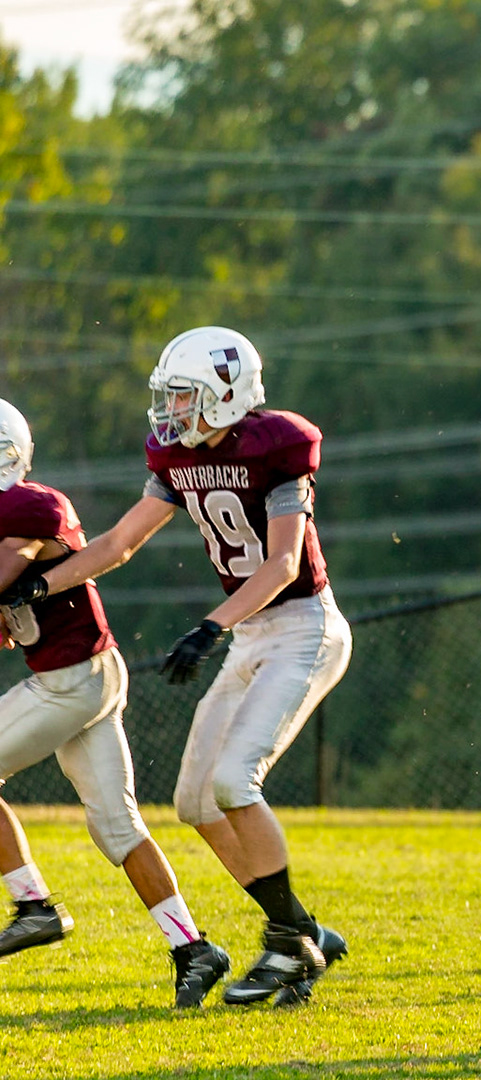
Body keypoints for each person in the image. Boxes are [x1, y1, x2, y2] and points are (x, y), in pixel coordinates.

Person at [1, 327, 352, 1007]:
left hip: (303, 626)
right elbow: (119, 542)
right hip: (250, 633)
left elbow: (283, 564)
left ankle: (289, 942)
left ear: (225, 395)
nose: (171, 411)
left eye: (184, 396)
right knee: (193, 801)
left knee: (231, 781)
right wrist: (44, 586)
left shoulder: (274, 446)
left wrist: (208, 628)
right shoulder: (176, 457)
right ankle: (293, 931)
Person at [0, 399, 230, 1007]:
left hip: (71, 681)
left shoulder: (25, 504)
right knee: (116, 825)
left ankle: (32, 905)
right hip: (87, 673)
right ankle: (192, 948)